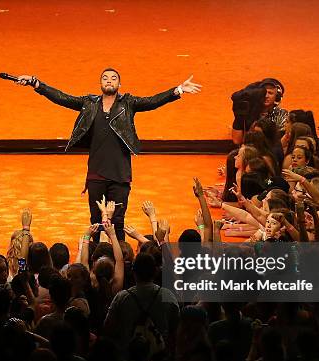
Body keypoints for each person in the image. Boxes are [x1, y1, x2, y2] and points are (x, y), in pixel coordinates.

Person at [13, 68, 201, 240]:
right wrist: (34, 82)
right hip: (96, 173)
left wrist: (178, 90)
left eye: (113, 78)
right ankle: (97, 258)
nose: (109, 81)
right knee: (96, 221)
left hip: (120, 174)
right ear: (100, 84)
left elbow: (152, 101)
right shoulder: (89, 103)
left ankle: (121, 257)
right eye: (105, 78)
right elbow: (62, 97)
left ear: (119, 85)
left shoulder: (128, 103)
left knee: (118, 221)